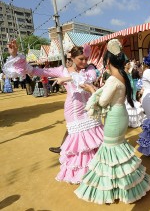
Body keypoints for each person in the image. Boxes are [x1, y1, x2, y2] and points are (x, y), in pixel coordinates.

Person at [3, 40, 104, 184]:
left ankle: (98, 168)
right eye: (81, 59)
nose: (84, 61)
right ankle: (82, 173)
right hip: (73, 110)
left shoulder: (89, 70)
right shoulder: (61, 70)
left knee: (94, 141)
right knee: (80, 145)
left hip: (89, 108)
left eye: (86, 59)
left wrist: (67, 78)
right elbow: (35, 71)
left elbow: (87, 79)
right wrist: (15, 55)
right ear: (72, 58)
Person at [75, 39, 150, 204]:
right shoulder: (124, 76)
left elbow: (103, 102)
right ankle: (122, 185)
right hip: (121, 114)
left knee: (110, 150)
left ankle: (114, 188)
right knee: (119, 149)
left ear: (108, 61)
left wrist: (91, 89)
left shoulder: (112, 79)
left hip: (114, 118)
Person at [124, 60, 145, 128]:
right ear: (125, 65)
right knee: (128, 105)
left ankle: (134, 122)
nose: (129, 64)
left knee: (134, 103)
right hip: (126, 92)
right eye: (128, 64)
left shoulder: (129, 73)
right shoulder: (123, 73)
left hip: (132, 90)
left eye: (129, 63)